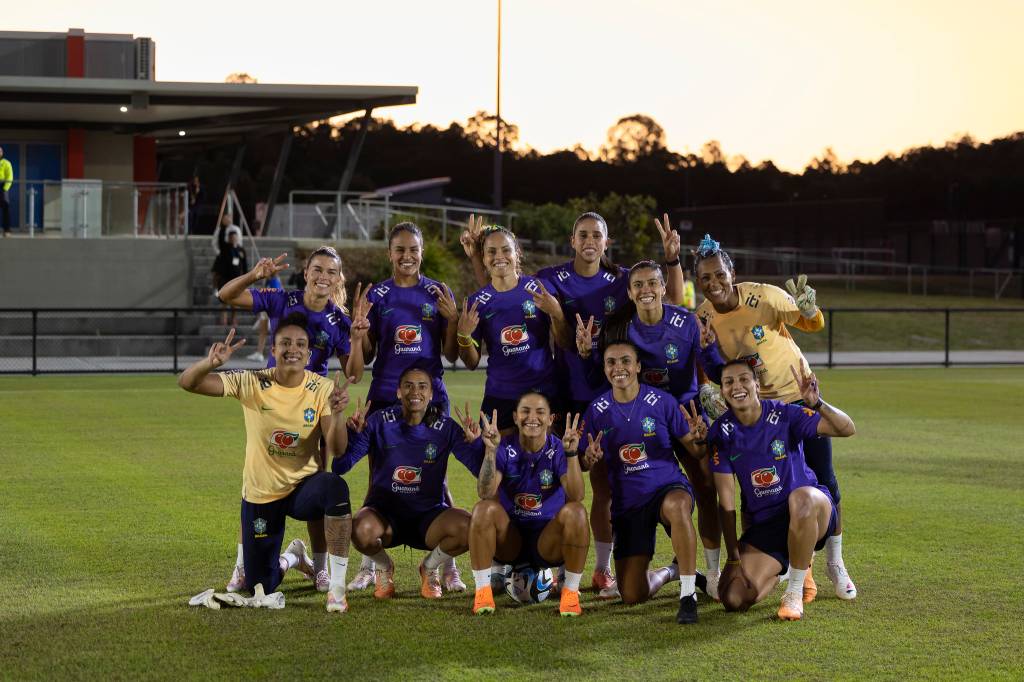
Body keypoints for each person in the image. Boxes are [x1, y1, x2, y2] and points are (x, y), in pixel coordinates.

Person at [530, 212, 686, 598]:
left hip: (613, 395)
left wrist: (671, 259)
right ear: (572, 239)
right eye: (582, 233)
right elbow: (509, 294)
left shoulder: (620, 280)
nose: (589, 240)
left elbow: (671, 301)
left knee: (611, 484)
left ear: (606, 241)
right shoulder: (552, 277)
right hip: (569, 395)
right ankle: (562, 564)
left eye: (596, 235)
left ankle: (603, 568)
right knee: (572, 482)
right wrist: (566, 327)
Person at [693, 234, 857, 601]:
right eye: (705, 278)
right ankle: (787, 566)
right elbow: (716, 369)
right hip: (753, 413)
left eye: (719, 274)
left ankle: (834, 561)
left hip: (796, 401)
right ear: (698, 283)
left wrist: (810, 309)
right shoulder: (701, 316)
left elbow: (811, 324)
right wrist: (708, 384)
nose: (714, 283)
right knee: (758, 494)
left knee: (822, 479)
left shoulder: (764, 296)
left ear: (731, 272)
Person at [177, 315, 355, 613]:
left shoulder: (323, 389)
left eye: (300, 344)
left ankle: (336, 588)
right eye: (285, 343)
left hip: (303, 489)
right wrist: (210, 363)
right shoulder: (252, 381)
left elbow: (337, 449)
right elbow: (188, 383)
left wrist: (337, 415)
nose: (292, 350)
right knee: (262, 584)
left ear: (309, 354)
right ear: (273, 349)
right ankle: (293, 557)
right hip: (262, 493)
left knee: (336, 487)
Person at [216, 245, 355, 593]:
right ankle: (242, 566)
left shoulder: (340, 320)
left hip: (314, 403)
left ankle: (318, 567)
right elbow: (226, 295)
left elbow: (354, 373)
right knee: (257, 481)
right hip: (273, 396)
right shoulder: (282, 299)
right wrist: (254, 275)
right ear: (306, 273)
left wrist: (360, 336)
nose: (323, 277)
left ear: (338, 279)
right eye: (317, 270)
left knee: (319, 481)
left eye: (331, 272)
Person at [592, 260, 724, 600]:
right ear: (630, 291)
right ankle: (621, 567)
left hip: (686, 410)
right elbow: (609, 367)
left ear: (664, 287)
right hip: (642, 412)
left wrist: (709, 361)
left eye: (653, 283)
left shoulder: (686, 322)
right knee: (623, 481)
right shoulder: (620, 327)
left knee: (707, 485)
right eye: (638, 284)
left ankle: (711, 572)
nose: (646, 290)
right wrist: (584, 351)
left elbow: (708, 368)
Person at [344, 221, 464, 593]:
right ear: (389, 253)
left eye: (413, 249)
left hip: (429, 397)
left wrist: (453, 320)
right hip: (385, 395)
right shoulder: (378, 296)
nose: (407, 256)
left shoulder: (436, 292)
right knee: (378, 477)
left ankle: (448, 567)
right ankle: (370, 565)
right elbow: (363, 358)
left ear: (422, 252)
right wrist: (359, 332)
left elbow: (450, 353)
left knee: (437, 476)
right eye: (400, 249)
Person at [706, 360, 856, 621]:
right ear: (723, 391)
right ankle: (784, 566)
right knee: (734, 598)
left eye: (744, 379)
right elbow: (726, 502)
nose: (737, 386)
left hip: (812, 510)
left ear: (757, 384)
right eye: (729, 382)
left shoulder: (784, 414)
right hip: (768, 524)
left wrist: (817, 403)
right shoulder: (722, 432)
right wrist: (732, 559)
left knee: (801, 497)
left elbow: (846, 428)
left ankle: (794, 591)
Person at [581, 340, 708, 625]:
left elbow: (696, 450)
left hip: (666, 488)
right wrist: (588, 459)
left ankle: (688, 596)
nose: (619, 368)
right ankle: (672, 572)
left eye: (625, 361)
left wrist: (699, 437)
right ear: (604, 369)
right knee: (631, 594)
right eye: (611, 362)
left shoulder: (662, 402)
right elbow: (582, 462)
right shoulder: (597, 411)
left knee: (677, 506)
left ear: (638, 366)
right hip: (629, 504)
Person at [332, 366, 483, 600]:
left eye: (423, 386)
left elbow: (478, 470)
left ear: (432, 394)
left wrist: (478, 444)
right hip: (385, 517)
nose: (416, 391)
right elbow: (340, 466)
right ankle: (384, 567)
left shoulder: (445, 426)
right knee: (358, 530)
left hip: (429, 518)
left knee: (470, 528)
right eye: (409, 385)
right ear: (398, 392)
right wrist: (351, 434)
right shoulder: (379, 422)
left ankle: (429, 567)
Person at [467, 395, 590, 617]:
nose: (532, 418)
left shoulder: (559, 448)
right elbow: (485, 492)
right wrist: (490, 452)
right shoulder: (504, 446)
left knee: (577, 512)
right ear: (515, 417)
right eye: (525, 411)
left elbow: (577, 495)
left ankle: (570, 595)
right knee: (483, 509)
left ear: (551, 418)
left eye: (540, 412)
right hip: (510, 539)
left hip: (547, 540)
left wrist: (571, 454)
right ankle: (482, 593)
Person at [457, 225, 567, 433]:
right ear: (483, 259)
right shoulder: (476, 303)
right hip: (500, 395)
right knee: (496, 463)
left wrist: (557, 313)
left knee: (548, 462)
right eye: (491, 251)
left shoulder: (540, 289)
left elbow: (564, 343)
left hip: (544, 391)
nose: (499, 256)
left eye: (506, 249)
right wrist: (463, 336)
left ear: (517, 253)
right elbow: (471, 362)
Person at [212, 230, 247, 326]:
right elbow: (217, 268)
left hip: (236, 280)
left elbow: (244, 266)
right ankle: (224, 318)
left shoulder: (241, 250)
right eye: (231, 238)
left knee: (235, 301)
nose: (233, 239)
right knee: (224, 300)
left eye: (235, 237)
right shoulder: (224, 250)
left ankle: (234, 319)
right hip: (225, 279)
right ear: (229, 238)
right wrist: (215, 283)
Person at [247, 273, 283, 363]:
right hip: (268, 308)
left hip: (271, 308)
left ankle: (274, 354)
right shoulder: (270, 280)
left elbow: (275, 296)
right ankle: (259, 352)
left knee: (273, 332)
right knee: (263, 331)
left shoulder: (274, 281)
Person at [0, 146, 12, 237]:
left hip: (3, 186)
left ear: (2, 152)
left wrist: (5, 188)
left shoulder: (6, 163)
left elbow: (10, 177)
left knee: (6, 208)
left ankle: (6, 230)